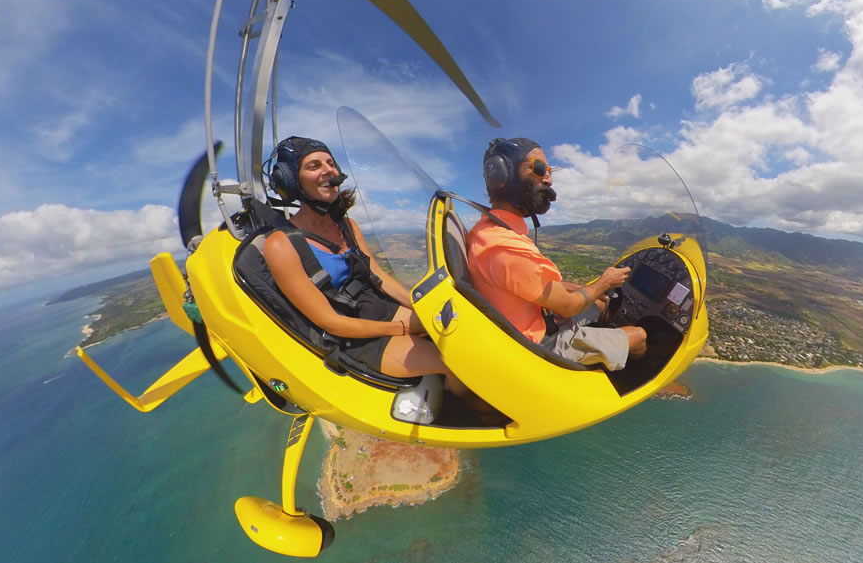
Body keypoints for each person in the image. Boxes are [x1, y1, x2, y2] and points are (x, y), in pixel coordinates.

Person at [262, 136, 479, 405]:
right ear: (291, 181)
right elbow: (331, 322)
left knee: (460, 329)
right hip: (352, 337)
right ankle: (475, 410)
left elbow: (379, 276)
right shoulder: (281, 245)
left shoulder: (347, 225)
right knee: (457, 361)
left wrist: (422, 305)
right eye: (314, 166)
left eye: (330, 163)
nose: (328, 170)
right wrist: (403, 327)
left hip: (375, 307)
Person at [466, 138, 647, 370]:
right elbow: (569, 307)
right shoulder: (505, 247)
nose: (549, 179)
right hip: (538, 347)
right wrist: (605, 281)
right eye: (540, 169)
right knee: (639, 336)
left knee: (601, 304)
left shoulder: (486, 231)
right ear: (502, 176)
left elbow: (525, 282)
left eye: (550, 172)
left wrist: (577, 289)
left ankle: (607, 348)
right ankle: (623, 374)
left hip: (525, 327)